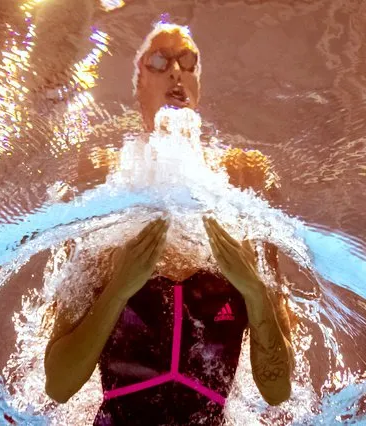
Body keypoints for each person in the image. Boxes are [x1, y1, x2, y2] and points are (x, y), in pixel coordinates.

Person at [44, 22, 294, 425]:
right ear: (138, 82)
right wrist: (119, 288)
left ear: (198, 84)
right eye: (158, 61)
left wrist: (254, 290)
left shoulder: (246, 177)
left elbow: (278, 389)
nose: (176, 71)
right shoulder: (102, 177)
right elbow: (58, 384)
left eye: (188, 62)